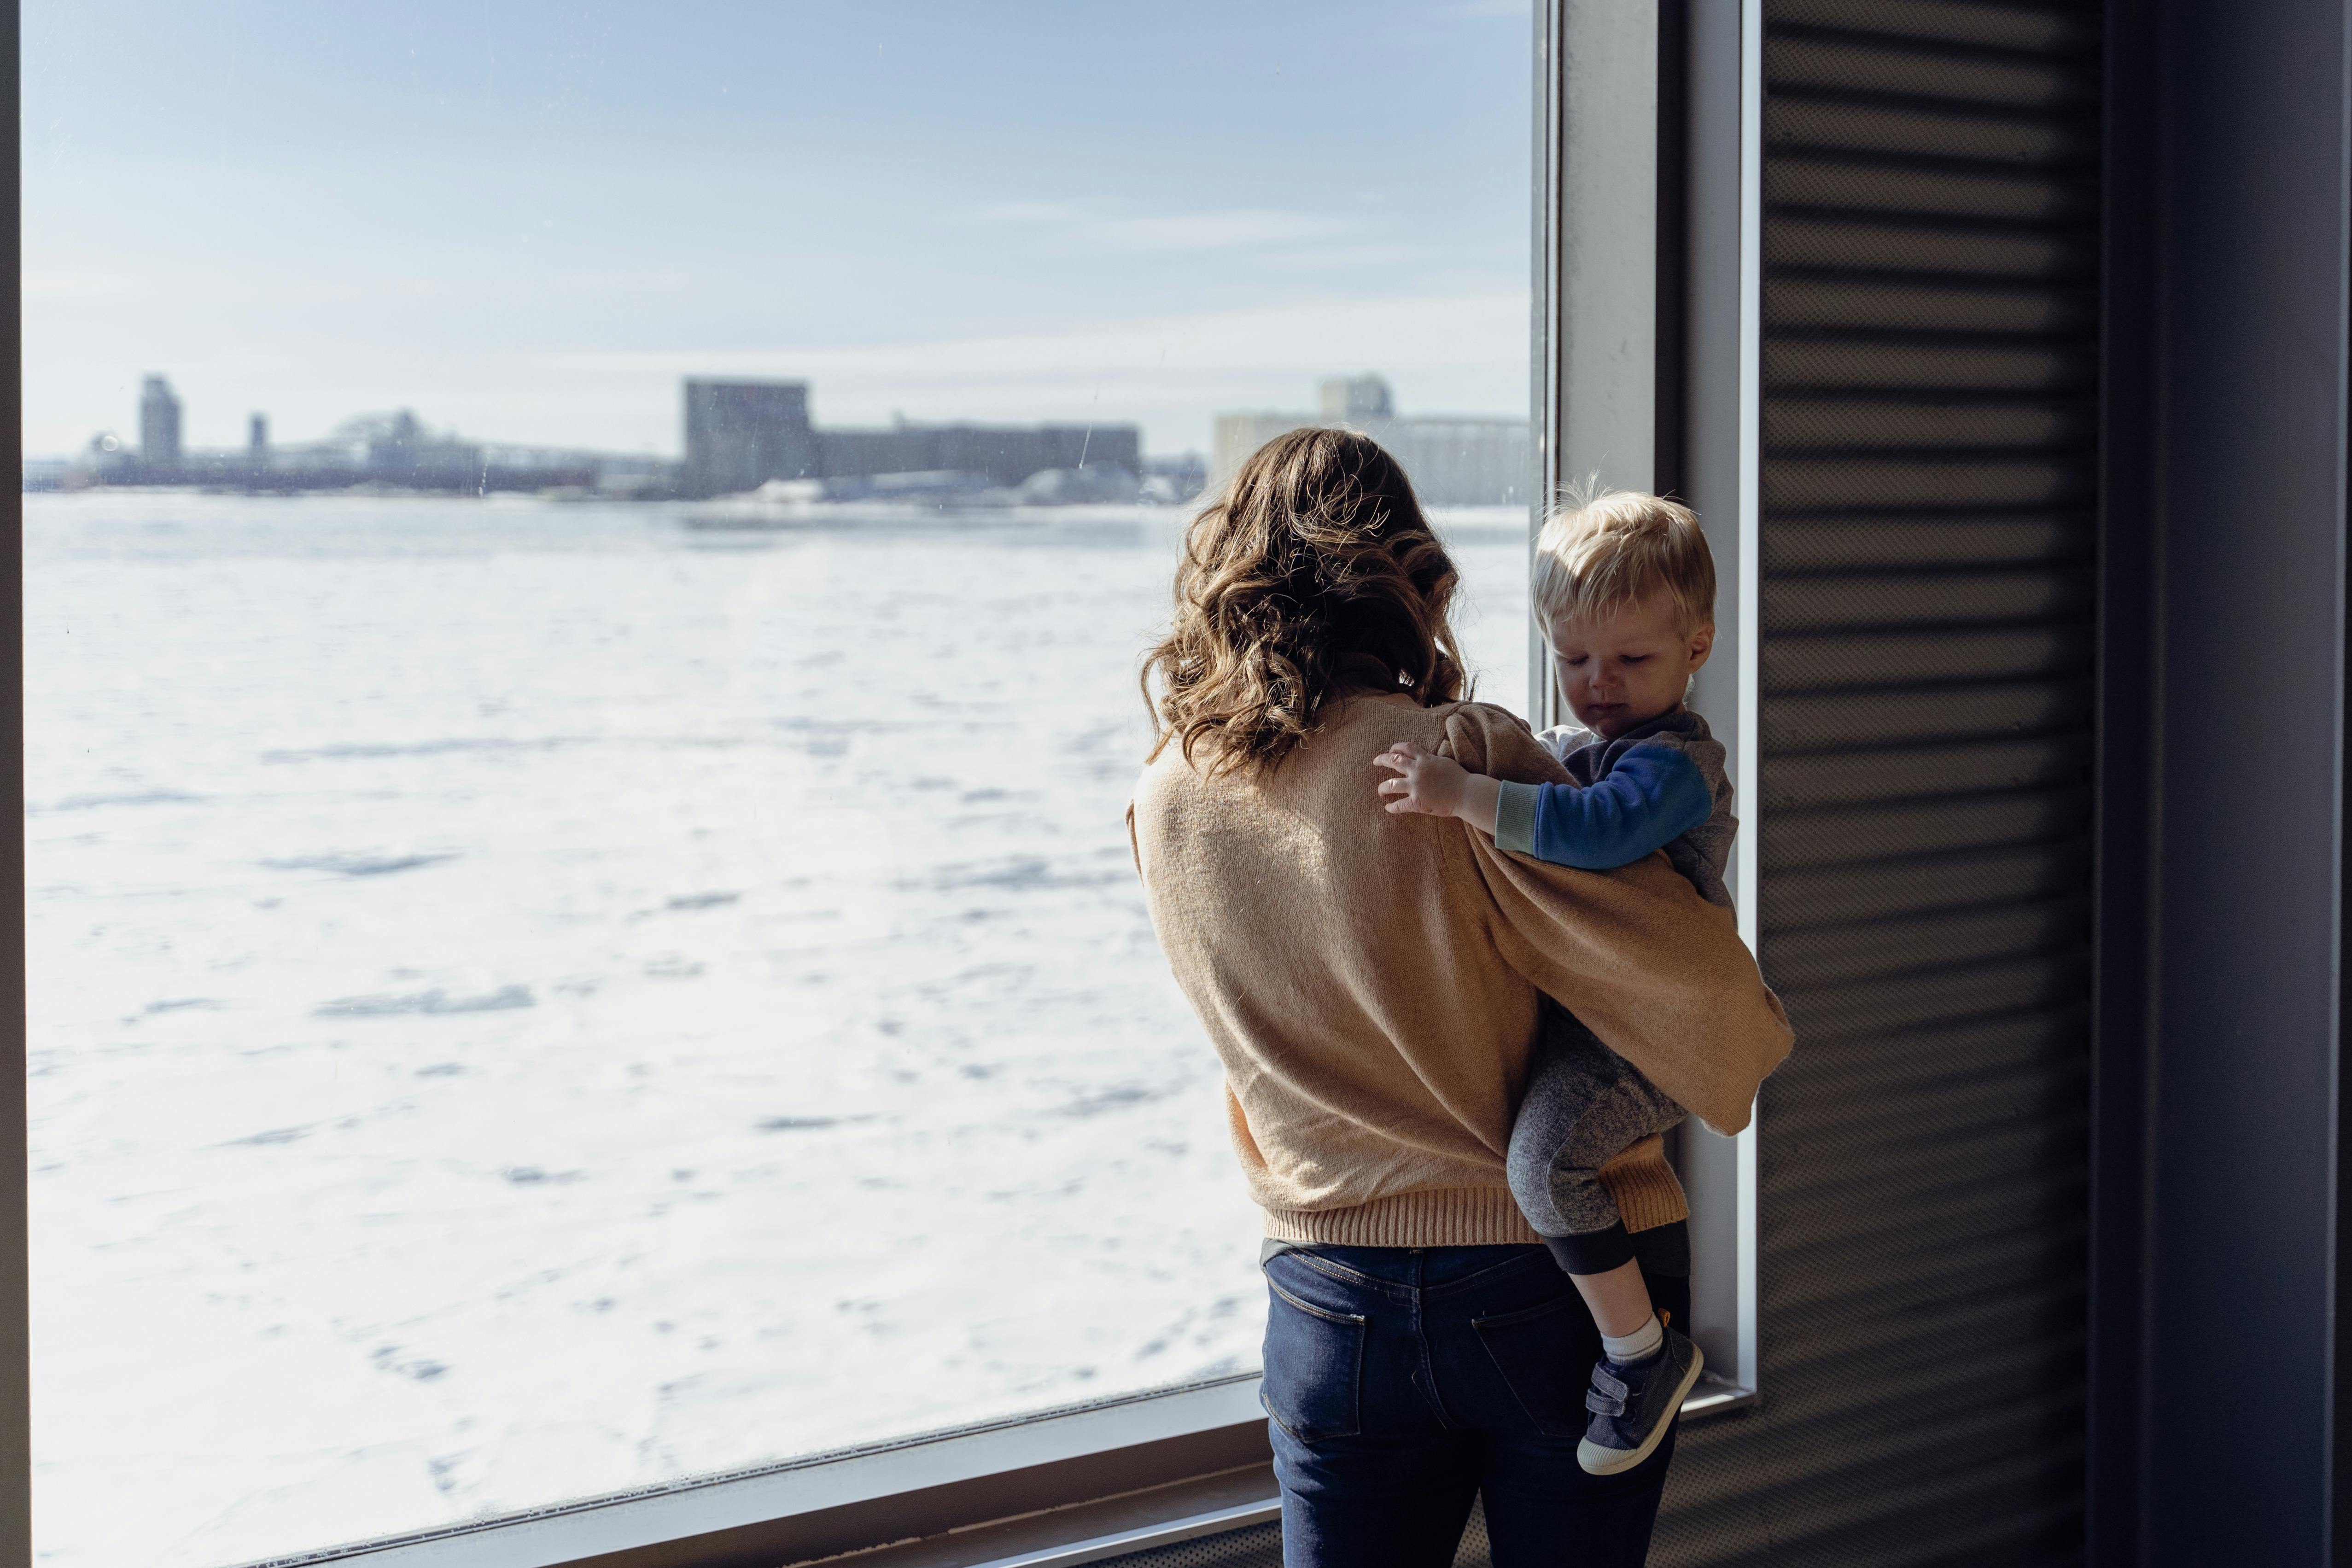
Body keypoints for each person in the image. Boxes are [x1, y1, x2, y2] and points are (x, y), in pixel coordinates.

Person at [1128, 430, 1789, 1567]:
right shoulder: (1460, 756)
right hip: (1552, 1285)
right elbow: (1704, 994)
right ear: (1411, 576)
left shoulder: (1166, 794)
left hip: (1328, 1293)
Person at [1375, 490, 1729, 1478]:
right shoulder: (1587, 749)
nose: (1598, 683)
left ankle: (1642, 1352)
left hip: (1653, 1031)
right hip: (1603, 1014)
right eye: (1573, 659)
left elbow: (1596, 830)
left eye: (1630, 660)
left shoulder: (1675, 767)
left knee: (1543, 1165)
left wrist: (1465, 795)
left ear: (1696, 647)